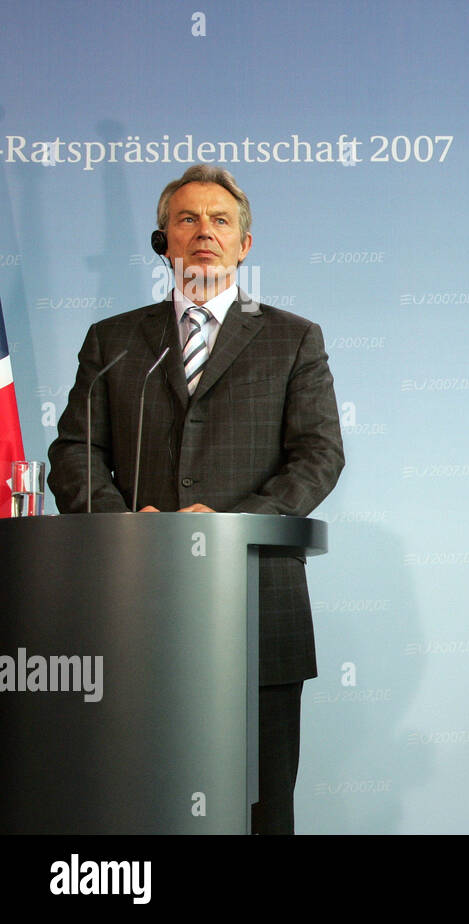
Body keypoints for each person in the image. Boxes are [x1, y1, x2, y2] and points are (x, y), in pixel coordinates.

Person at [47, 165, 345, 834]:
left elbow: (319, 455)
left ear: (245, 244)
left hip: (257, 605)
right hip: (135, 606)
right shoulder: (115, 342)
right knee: (140, 804)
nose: (203, 231)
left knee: (261, 809)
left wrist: (235, 526)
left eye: (219, 220)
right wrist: (127, 526)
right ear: (164, 242)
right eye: (187, 219)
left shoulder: (292, 338)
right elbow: (73, 453)